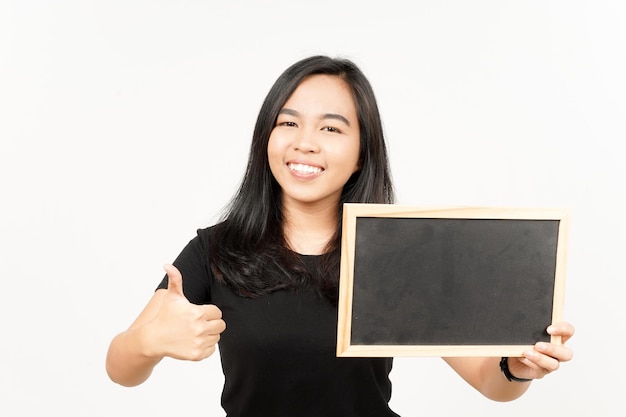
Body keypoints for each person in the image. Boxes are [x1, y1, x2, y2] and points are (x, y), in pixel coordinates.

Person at [105, 55, 575, 416]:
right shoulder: (215, 250)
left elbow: (489, 382)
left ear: (360, 154)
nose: (304, 141)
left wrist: (517, 367)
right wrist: (149, 342)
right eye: (288, 122)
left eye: (331, 128)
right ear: (265, 138)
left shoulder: (393, 254)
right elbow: (119, 367)